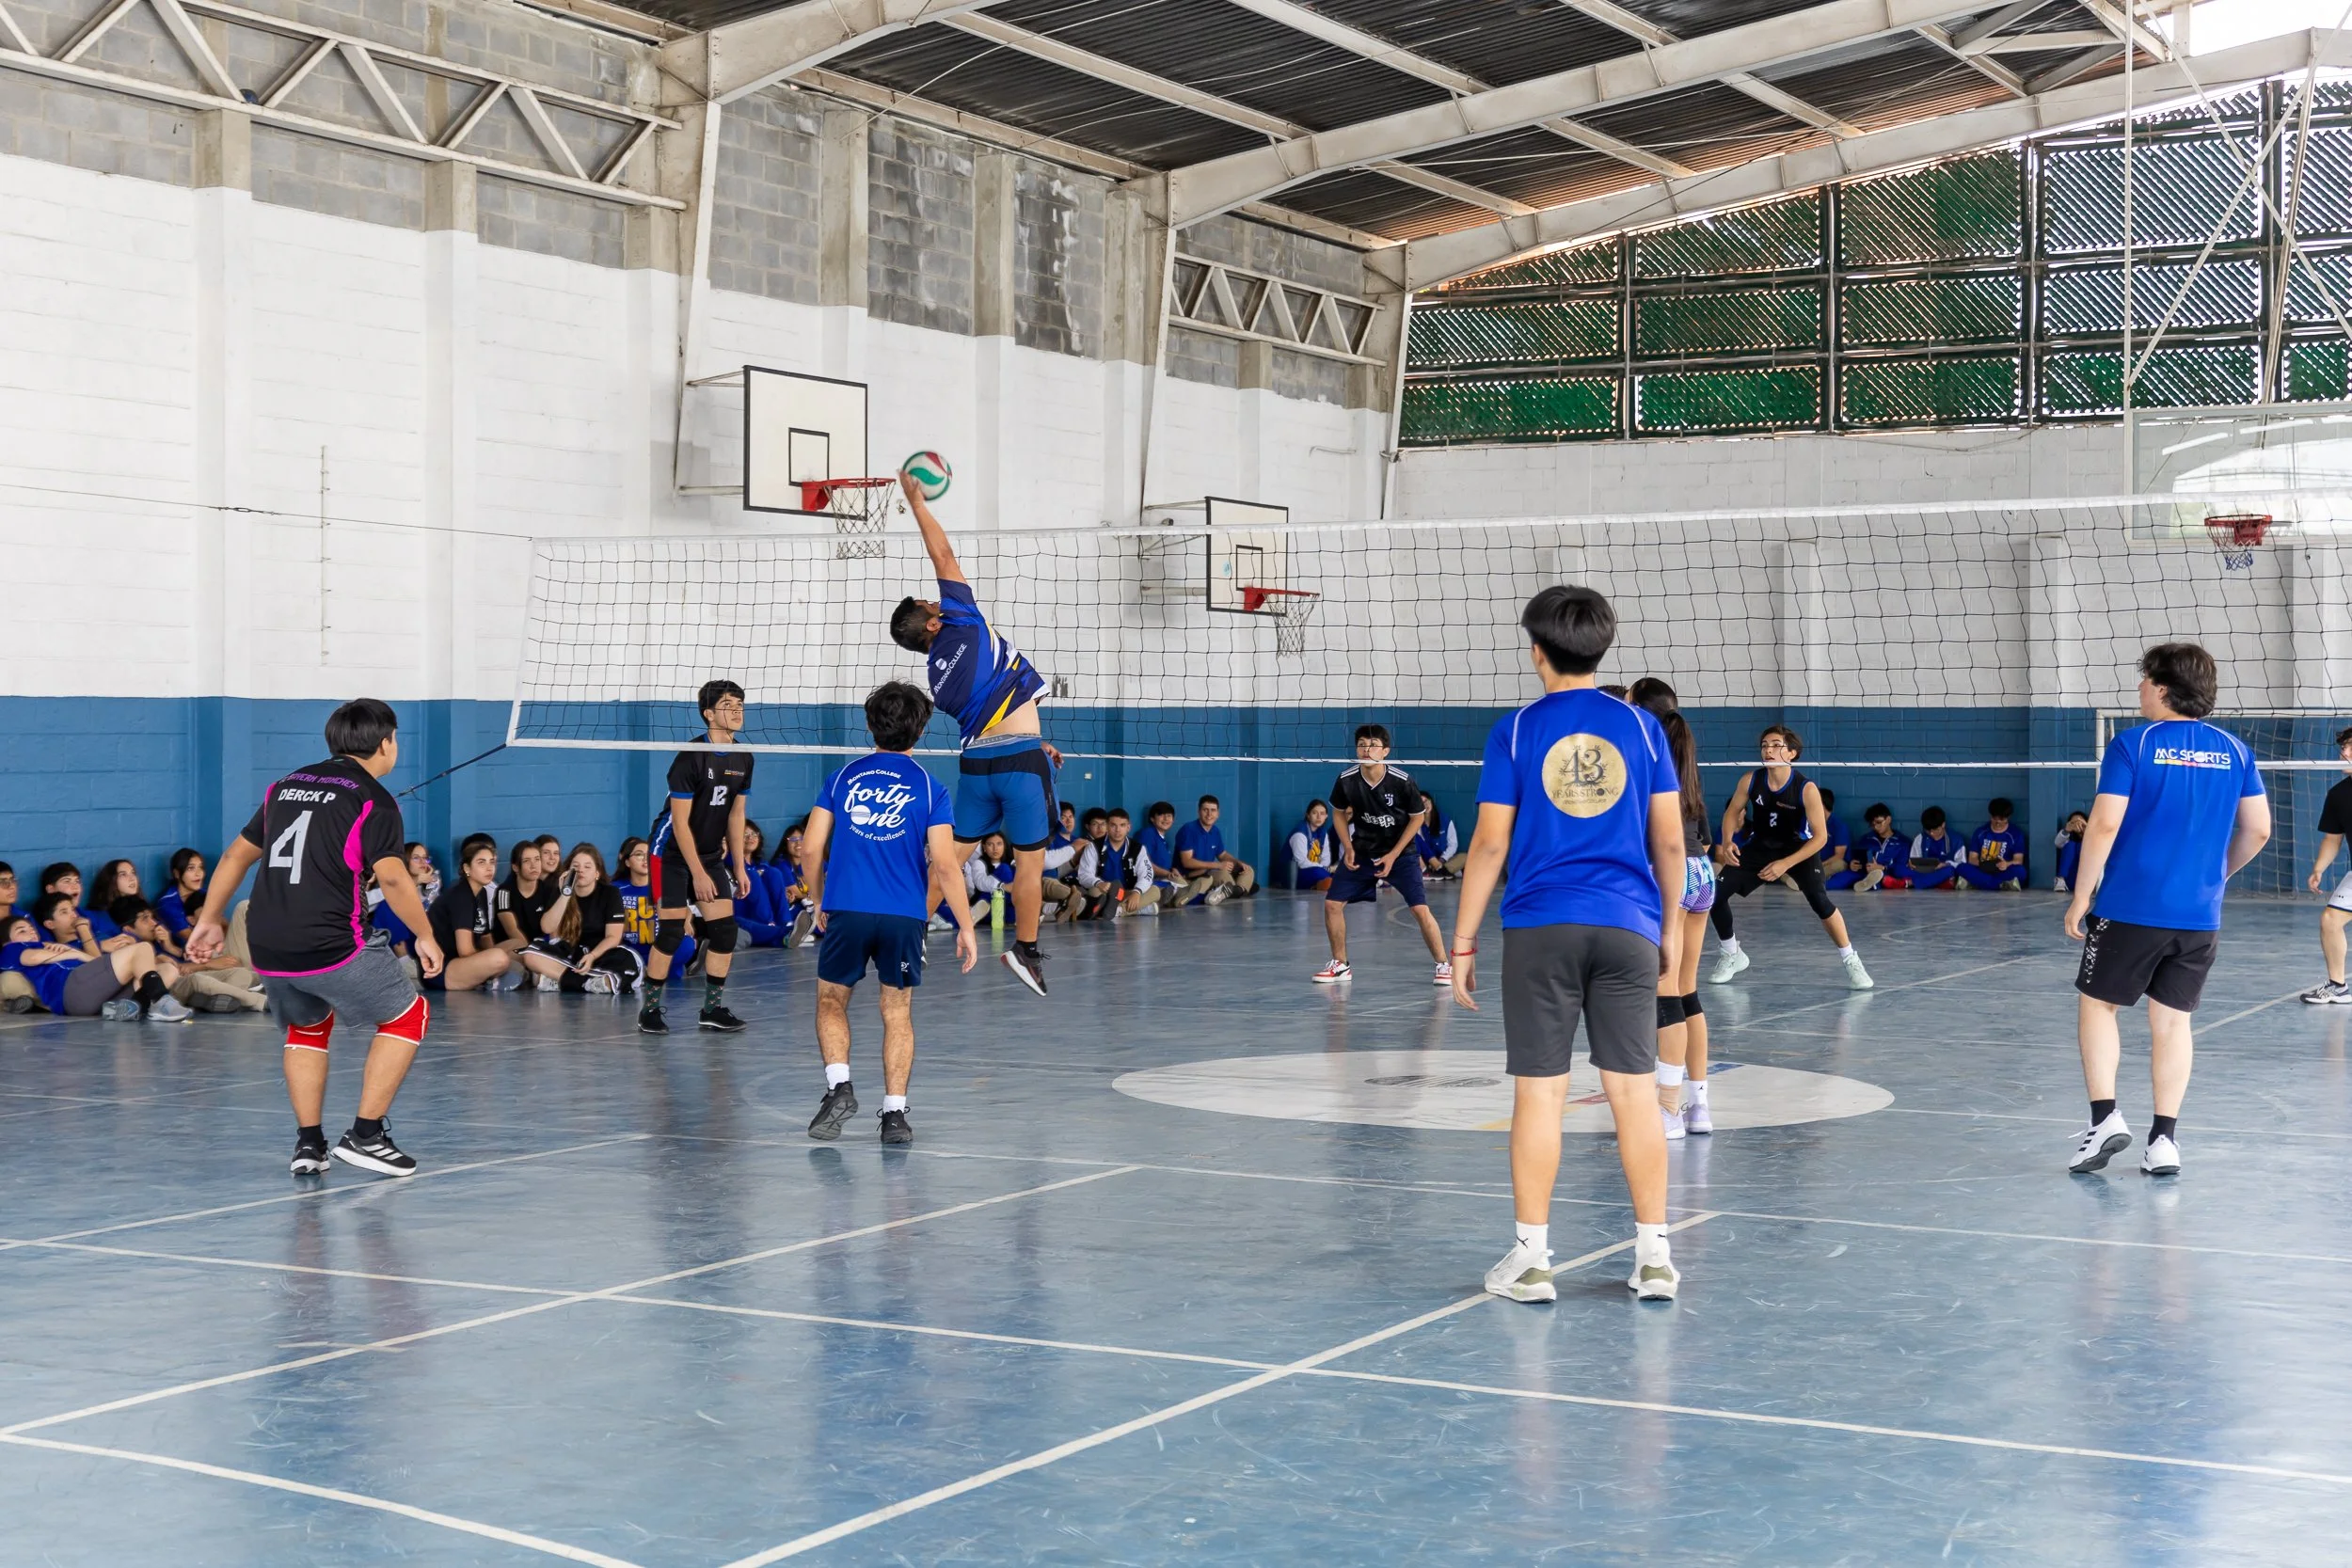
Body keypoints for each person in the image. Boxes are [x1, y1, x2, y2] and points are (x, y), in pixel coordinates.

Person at [1453, 586, 1686, 1304]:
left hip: (1541, 926)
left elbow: (1489, 843)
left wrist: (1461, 941)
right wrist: (1667, 930)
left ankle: (1532, 1261)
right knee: (1635, 1093)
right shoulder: (1644, 727)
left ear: (1536, 652)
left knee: (1540, 1092)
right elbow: (1670, 842)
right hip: (1628, 926)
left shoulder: (1516, 729)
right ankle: (1655, 1257)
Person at [186, 698, 443, 1178]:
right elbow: (393, 878)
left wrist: (210, 917)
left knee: (307, 1027)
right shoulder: (375, 800)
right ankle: (366, 1134)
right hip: (331, 942)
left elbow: (236, 856)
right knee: (409, 1015)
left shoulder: (285, 786)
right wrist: (425, 933)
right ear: (386, 743)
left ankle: (309, 1145)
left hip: (267, 941)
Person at [2065, 643, 2269, 1178]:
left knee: (2098, 1006)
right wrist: (2215, 877)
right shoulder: (2235, 750)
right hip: (2199, 916)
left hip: (2131, 907)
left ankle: (2105, 1120)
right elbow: (2259, 830)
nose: (2138, 689)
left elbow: (2104, 824)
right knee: (2174, 1022)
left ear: (2160, 687)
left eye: (2143, 680)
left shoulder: (2133, 743)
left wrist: (2082, 895)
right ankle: (2164, 1141)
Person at [889, 465, 1059, 996]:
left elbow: (992, 713)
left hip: (978, 766)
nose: (937, 598)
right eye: (930, 602)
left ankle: (907, 936)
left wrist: (1034, 738)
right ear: (932, 623)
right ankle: (1025, 950)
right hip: (1018, 763)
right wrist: (917, 504)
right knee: (1030, 864)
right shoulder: (962, 621)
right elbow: (943, 555)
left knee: (949, 861)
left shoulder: (937, 676)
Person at [803, 681, 977, 1146]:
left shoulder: (842, 778)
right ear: (920, 730)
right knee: (896, 1010)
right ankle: (895, 1116)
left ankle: (840, 1085)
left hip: (848, 909)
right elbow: (945, 865)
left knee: (830, 1000)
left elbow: (812, 848)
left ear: (869, 724)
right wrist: (965, 925)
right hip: (904, 915)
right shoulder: (931, 787)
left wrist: (818, 899)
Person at [1708, 726, 1873, 990]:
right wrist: (1727, 841)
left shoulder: (1806, 789)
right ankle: (1732, 953)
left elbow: (1820, 838)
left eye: (1776, 745)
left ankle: (1851, 959)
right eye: (1764, 745)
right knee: (1713, 896)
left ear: (1792, 753)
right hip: (1760, 847)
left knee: (1820, 901)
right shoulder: (1750, 780)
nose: (1768, 750)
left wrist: (1785, 865)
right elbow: (1732, 812)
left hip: (1798, 849)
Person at [639, 678, 753, 1035]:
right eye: (728, 705)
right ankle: (649, 1011)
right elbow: (680, 823)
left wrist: (739, 866)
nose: (737, 711)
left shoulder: (744, 757)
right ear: (708, 714)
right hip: (670, 852)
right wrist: (698, 874)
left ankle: (711, 1009)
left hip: (709, 854)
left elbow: (736, 815)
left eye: (740, 705)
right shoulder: (690, 757)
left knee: (725, 931)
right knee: (672, 932)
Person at [1629, 678, 1714, 1142]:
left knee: (1665, 996)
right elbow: (1704, 832)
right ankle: (1699, 1107)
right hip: (1701, 872)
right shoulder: (1686, 754)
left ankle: (1667, 1109)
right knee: (1687, 993)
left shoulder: (1644, 755)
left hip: (1671, 873)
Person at [1317, 724, 1450, 985]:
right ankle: (1341, 965)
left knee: (1420, 909)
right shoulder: (1346, 779)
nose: (1367, 750)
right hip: (1363, 851)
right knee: (1332, 904)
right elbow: (1338, 813)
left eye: (1373, 745)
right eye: (1362, 745)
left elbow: (1417, 818)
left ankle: (1444, 965)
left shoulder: (1402, 781)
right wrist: (1348, 847)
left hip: (1401, 855)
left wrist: (1394, 854)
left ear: (1385, 751)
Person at [9, 894, 191, 1020]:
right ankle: (161, 1000)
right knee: (143, 947)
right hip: (73, 991)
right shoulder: (16, 948)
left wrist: (78, 953)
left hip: (102, 995)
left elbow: (95, 962)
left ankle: (133, 1007)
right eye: (64, 912)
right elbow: (33, 958)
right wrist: (78, 939)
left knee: (168, 969)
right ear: (50, 924)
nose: (73, 915)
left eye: (73, 910)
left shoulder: (80, 944)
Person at [115, 897, 265, 1012]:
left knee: (240, 974)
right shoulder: (132, 946)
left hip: (189, 978)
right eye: (145, 919)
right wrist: (205, 964)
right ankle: (261, 1002)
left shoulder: (160, 941)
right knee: (198, 980)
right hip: (168, 988)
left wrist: (170, 946)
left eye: (152, 917)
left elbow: (182, 963)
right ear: (128, 929)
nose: (153, 923)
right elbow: (170, 972)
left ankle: (206, 999)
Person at [532, 844, 634, 993]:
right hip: (570, 954)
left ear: (597, 873)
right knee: (530, 954)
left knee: (628, 959)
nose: (580, 870)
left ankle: (562, 982)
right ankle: (587, 983)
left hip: (600, 953)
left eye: (587, 867)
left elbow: (613, 937)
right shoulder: (561, 892)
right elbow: (547, 928)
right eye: (576, 866)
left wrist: (592, 956)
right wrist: (565, 894)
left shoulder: (610, 893)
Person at [426, 835, 520, 993]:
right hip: (444, 969)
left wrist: (489, 958)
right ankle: (492, 979)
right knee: (500, 958)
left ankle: (494, 978)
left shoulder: (481, 892)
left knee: (519, 945)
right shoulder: (461, 896)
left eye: (492, 862)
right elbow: (465, 951)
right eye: (481, 863)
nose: (489, 868)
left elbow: (485, 937)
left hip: (466, 961)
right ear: (467, 869)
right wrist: (489, 961)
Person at [2308, 731, 2352, 1004]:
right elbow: (2333, 838)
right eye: (2344, 747)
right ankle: (2338, 986)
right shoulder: (2338, 794)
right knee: (2330, 920)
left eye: (2351, 747)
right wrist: (2319, 868)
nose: (2344, 753)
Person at [1174, 795, 1256, 904]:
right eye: (1205, 810)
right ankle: (1241, 889)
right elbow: (1187, 862)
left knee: (1247, 870)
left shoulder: (1215, 831)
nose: (1209, 814)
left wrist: (1238, 863)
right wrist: (1217, 865)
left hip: (1210, 870)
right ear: (1199, 812)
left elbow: (1222, 855)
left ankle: (1237, 890)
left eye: (1213, 810)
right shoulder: (1188, 830)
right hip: (1193, 876)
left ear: (1218, 813)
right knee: (1223, 874)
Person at [1828, 803, 1910, 892]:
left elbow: (1901, 866)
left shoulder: (1902, 842)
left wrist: (1883, 867)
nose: (1876, 827)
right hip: (1862, 873)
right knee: (1840, 878)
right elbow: (1853, 856)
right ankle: (1866, 884)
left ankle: (1870, 883)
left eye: (1879, 822)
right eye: (1872, 825)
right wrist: (1851, 864)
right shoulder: (1866, 839)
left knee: (1883, 877)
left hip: (1886, 873)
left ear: (1888, 819)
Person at [495, 841, 556, 954]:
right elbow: (512, 930)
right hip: (514, 951)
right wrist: (530, 954)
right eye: (526, 861)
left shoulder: (548, 890)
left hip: (540, 950)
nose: (534, 865)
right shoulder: (504, 892)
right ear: (515, 867)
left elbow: (553, 929)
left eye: (537, 859)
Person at [1957, 798, 2027, 891]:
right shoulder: (1980, 832)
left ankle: (1979, 883)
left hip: (2002, 870)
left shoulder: (2016, 834)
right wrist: (1984, 865)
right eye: (1994, 819)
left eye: (2001, 819)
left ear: (2008, 817)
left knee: (2021, 871)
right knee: (1961, 868)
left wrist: (2007, 864)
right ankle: (2001, 885)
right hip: (1982, 869)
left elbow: (2018, 860)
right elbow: (1972, 858)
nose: (1998, 823)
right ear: (1990, 816)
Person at [1136, 802, 1190, 909]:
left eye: (1169, 816)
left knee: (1185, 883)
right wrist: (1168, 874)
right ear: (1152, 818)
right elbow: (1146, 864)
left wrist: (1173, 870)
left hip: (1164, 879)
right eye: (1161, 815)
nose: (1166, 819)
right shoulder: (1148, 834)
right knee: (1181, 884)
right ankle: (1172, 899)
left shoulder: (1163, 840)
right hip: (1150, 881)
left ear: (1173, 819)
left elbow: (1163, 863)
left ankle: (1175, 898)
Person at [1906, 806, 1963, 890]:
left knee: (1949, 871)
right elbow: (1914, 859)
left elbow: (1962, 865)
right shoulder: (1920, 838)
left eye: (1935, 830)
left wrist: (1946, 864)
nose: (1932, 833)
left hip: (1943, 870)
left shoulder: (1956, 839)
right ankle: (1937, 882)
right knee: (1899, 869)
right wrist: (1911, 864)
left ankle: (1912, 883)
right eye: (1928, 831)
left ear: (1943, 825)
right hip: (1924, 871)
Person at [155, 849, 207, 942]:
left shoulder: (204, 893)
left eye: (200, 867)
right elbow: (192, 939)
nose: (198, 874)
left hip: (212, 944)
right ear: (177, 874)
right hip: (186, 949)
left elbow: (223, 924)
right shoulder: (167, 903)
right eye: (191, 868)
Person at [963, 832, 1016, 922]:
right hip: (987, 904)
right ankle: (975, 913)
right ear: (984, 847)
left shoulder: (1011, 862)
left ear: (1004, 846)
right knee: (1004, 869)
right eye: (990, 844)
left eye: (999, 844)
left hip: (1005, 905)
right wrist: (1002, 886)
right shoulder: (979, 863)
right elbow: (980, 881)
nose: (995, 848)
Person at [1286, 800, 1335, 891]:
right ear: (1308, 815)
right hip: (1297, 873)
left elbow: (1326, 859)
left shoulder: (1323, 833)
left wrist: (1325, 868)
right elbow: (1301, 863)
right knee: (1319, 872)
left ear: (1326, 816)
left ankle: (1320, 884)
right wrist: (1325, 869)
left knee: (1337, 874)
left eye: (1322, 814)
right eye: (1314, 813)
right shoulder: (1300, 833)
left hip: (1317, 870)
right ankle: (1323, 884)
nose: (1319, 817)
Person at [1416, 796, 1462, 879]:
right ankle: (1440, 872)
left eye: (1426, 801)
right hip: (1427, 861)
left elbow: (1453, 845)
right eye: (1421, 803)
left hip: (1444, 860)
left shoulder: (1445, 820)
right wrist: (1432, 862)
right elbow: (1421, 847)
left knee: (1464, 856)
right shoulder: (1417, 823)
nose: (1425, 804)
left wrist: (1442, 859)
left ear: (1431, 801)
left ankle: (1442, 871)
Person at [2054, 810, 2089, 893]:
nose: (2077, 824)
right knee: (2071, 845)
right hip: (2071, 878)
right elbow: (2058, 843)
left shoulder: (2093, 835)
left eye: (2080, 822)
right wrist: (2066, 831)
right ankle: (2061, 880)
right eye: (2073, 822)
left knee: (2082, 846)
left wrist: (2087, 829)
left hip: (2087, 878)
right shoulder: (2068, 839)